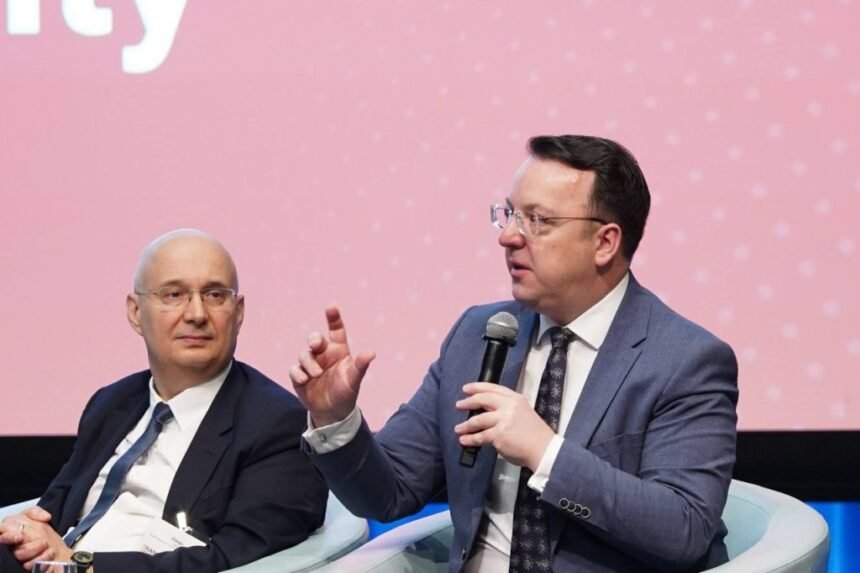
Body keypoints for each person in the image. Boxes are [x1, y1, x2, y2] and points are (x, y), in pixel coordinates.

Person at [290, 135, 739, 572]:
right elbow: (389, 493)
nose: (508, 237)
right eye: (509, 214)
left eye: (537, 221)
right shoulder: (477, 334)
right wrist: (336, 419)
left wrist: (545, 452)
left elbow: (684, 530)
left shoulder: (686, 361)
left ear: (605, 243)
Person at [0, 229, 327, 572]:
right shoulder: (111, 403)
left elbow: (235, 557)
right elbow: (49, 514)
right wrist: (26, 534)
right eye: (174, 294)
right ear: (135, 312)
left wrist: (81, 567)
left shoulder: (278, 425)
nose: (197, 314)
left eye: (215, 295)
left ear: (238, 311)